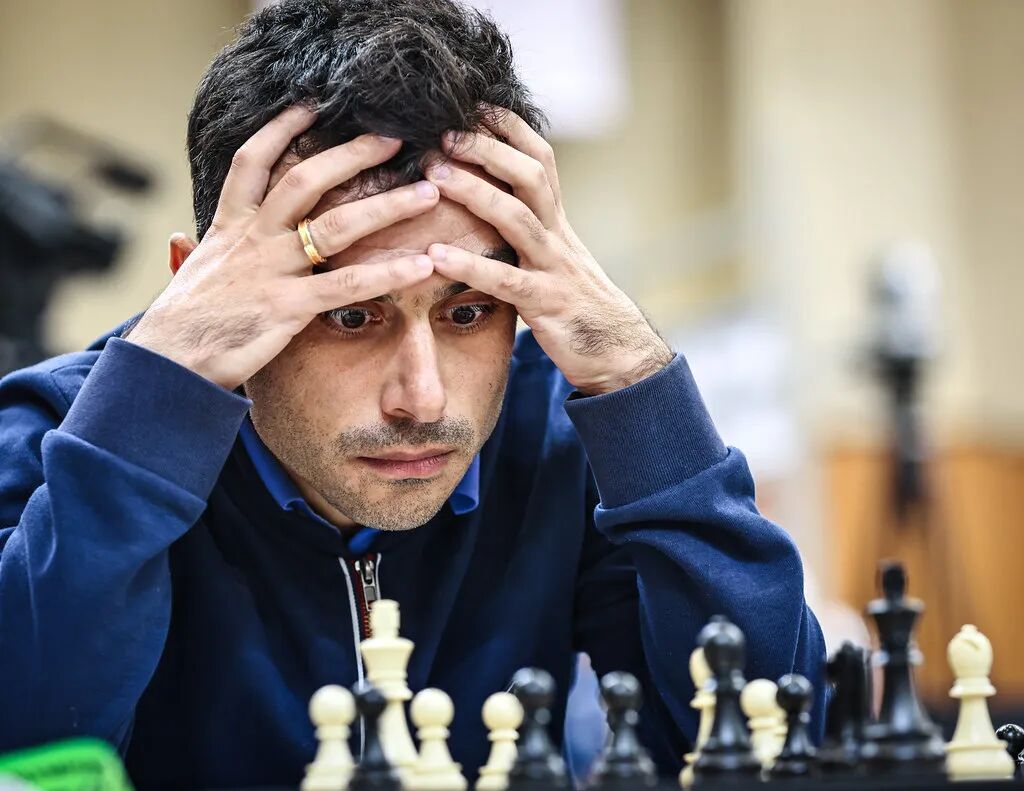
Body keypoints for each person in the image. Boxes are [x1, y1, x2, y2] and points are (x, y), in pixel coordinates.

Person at [0, 0, 826, 787]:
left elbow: (775, 743)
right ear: (202, 289)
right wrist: (140, 425)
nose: (422, 398)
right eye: (351, 313)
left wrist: (634, 379)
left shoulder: (559, 437)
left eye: (469, 312)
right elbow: (24, 745)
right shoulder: (50, 439)